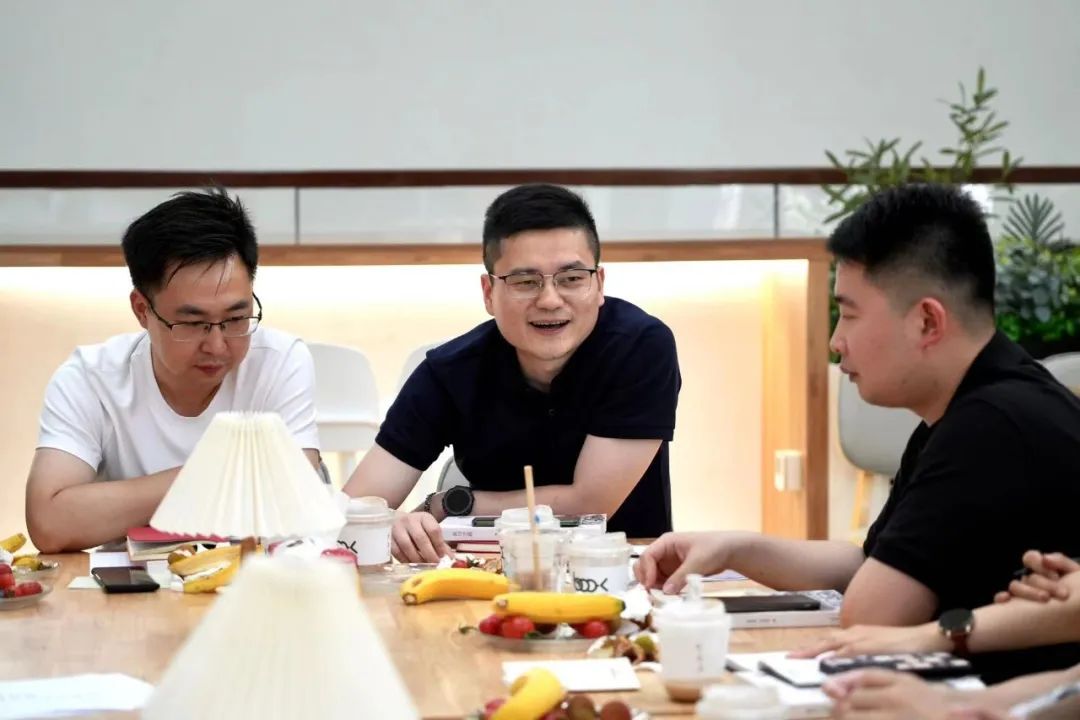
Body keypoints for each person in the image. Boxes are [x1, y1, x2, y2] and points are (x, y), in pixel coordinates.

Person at [635, 184, 1080, 682]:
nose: (835, 341)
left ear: (927, 321)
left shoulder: (991, 424)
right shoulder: (976, 403)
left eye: (849, 314)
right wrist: (733, 549)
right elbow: (868, 562)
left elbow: (870, 614)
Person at [343, 183, 681, 562]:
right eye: (525, 282)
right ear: (489, 293)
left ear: (599, 283)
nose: (550, 300)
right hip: (488, 575)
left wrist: (450, 506)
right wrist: (393, 522)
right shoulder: (448, 373)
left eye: (572, 278)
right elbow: (352, 508)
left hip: (626, 572)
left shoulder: (639, 346)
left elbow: (589, 505)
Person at [26, 188, 321, 553]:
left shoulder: (278, 361)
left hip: (254, 577)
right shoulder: (90, 379)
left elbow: (295, 495)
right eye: (192, 323)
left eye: (235, 318)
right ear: (142, 310)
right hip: (128, 584)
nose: (217, 345)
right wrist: (219, 473)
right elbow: (49, 523)